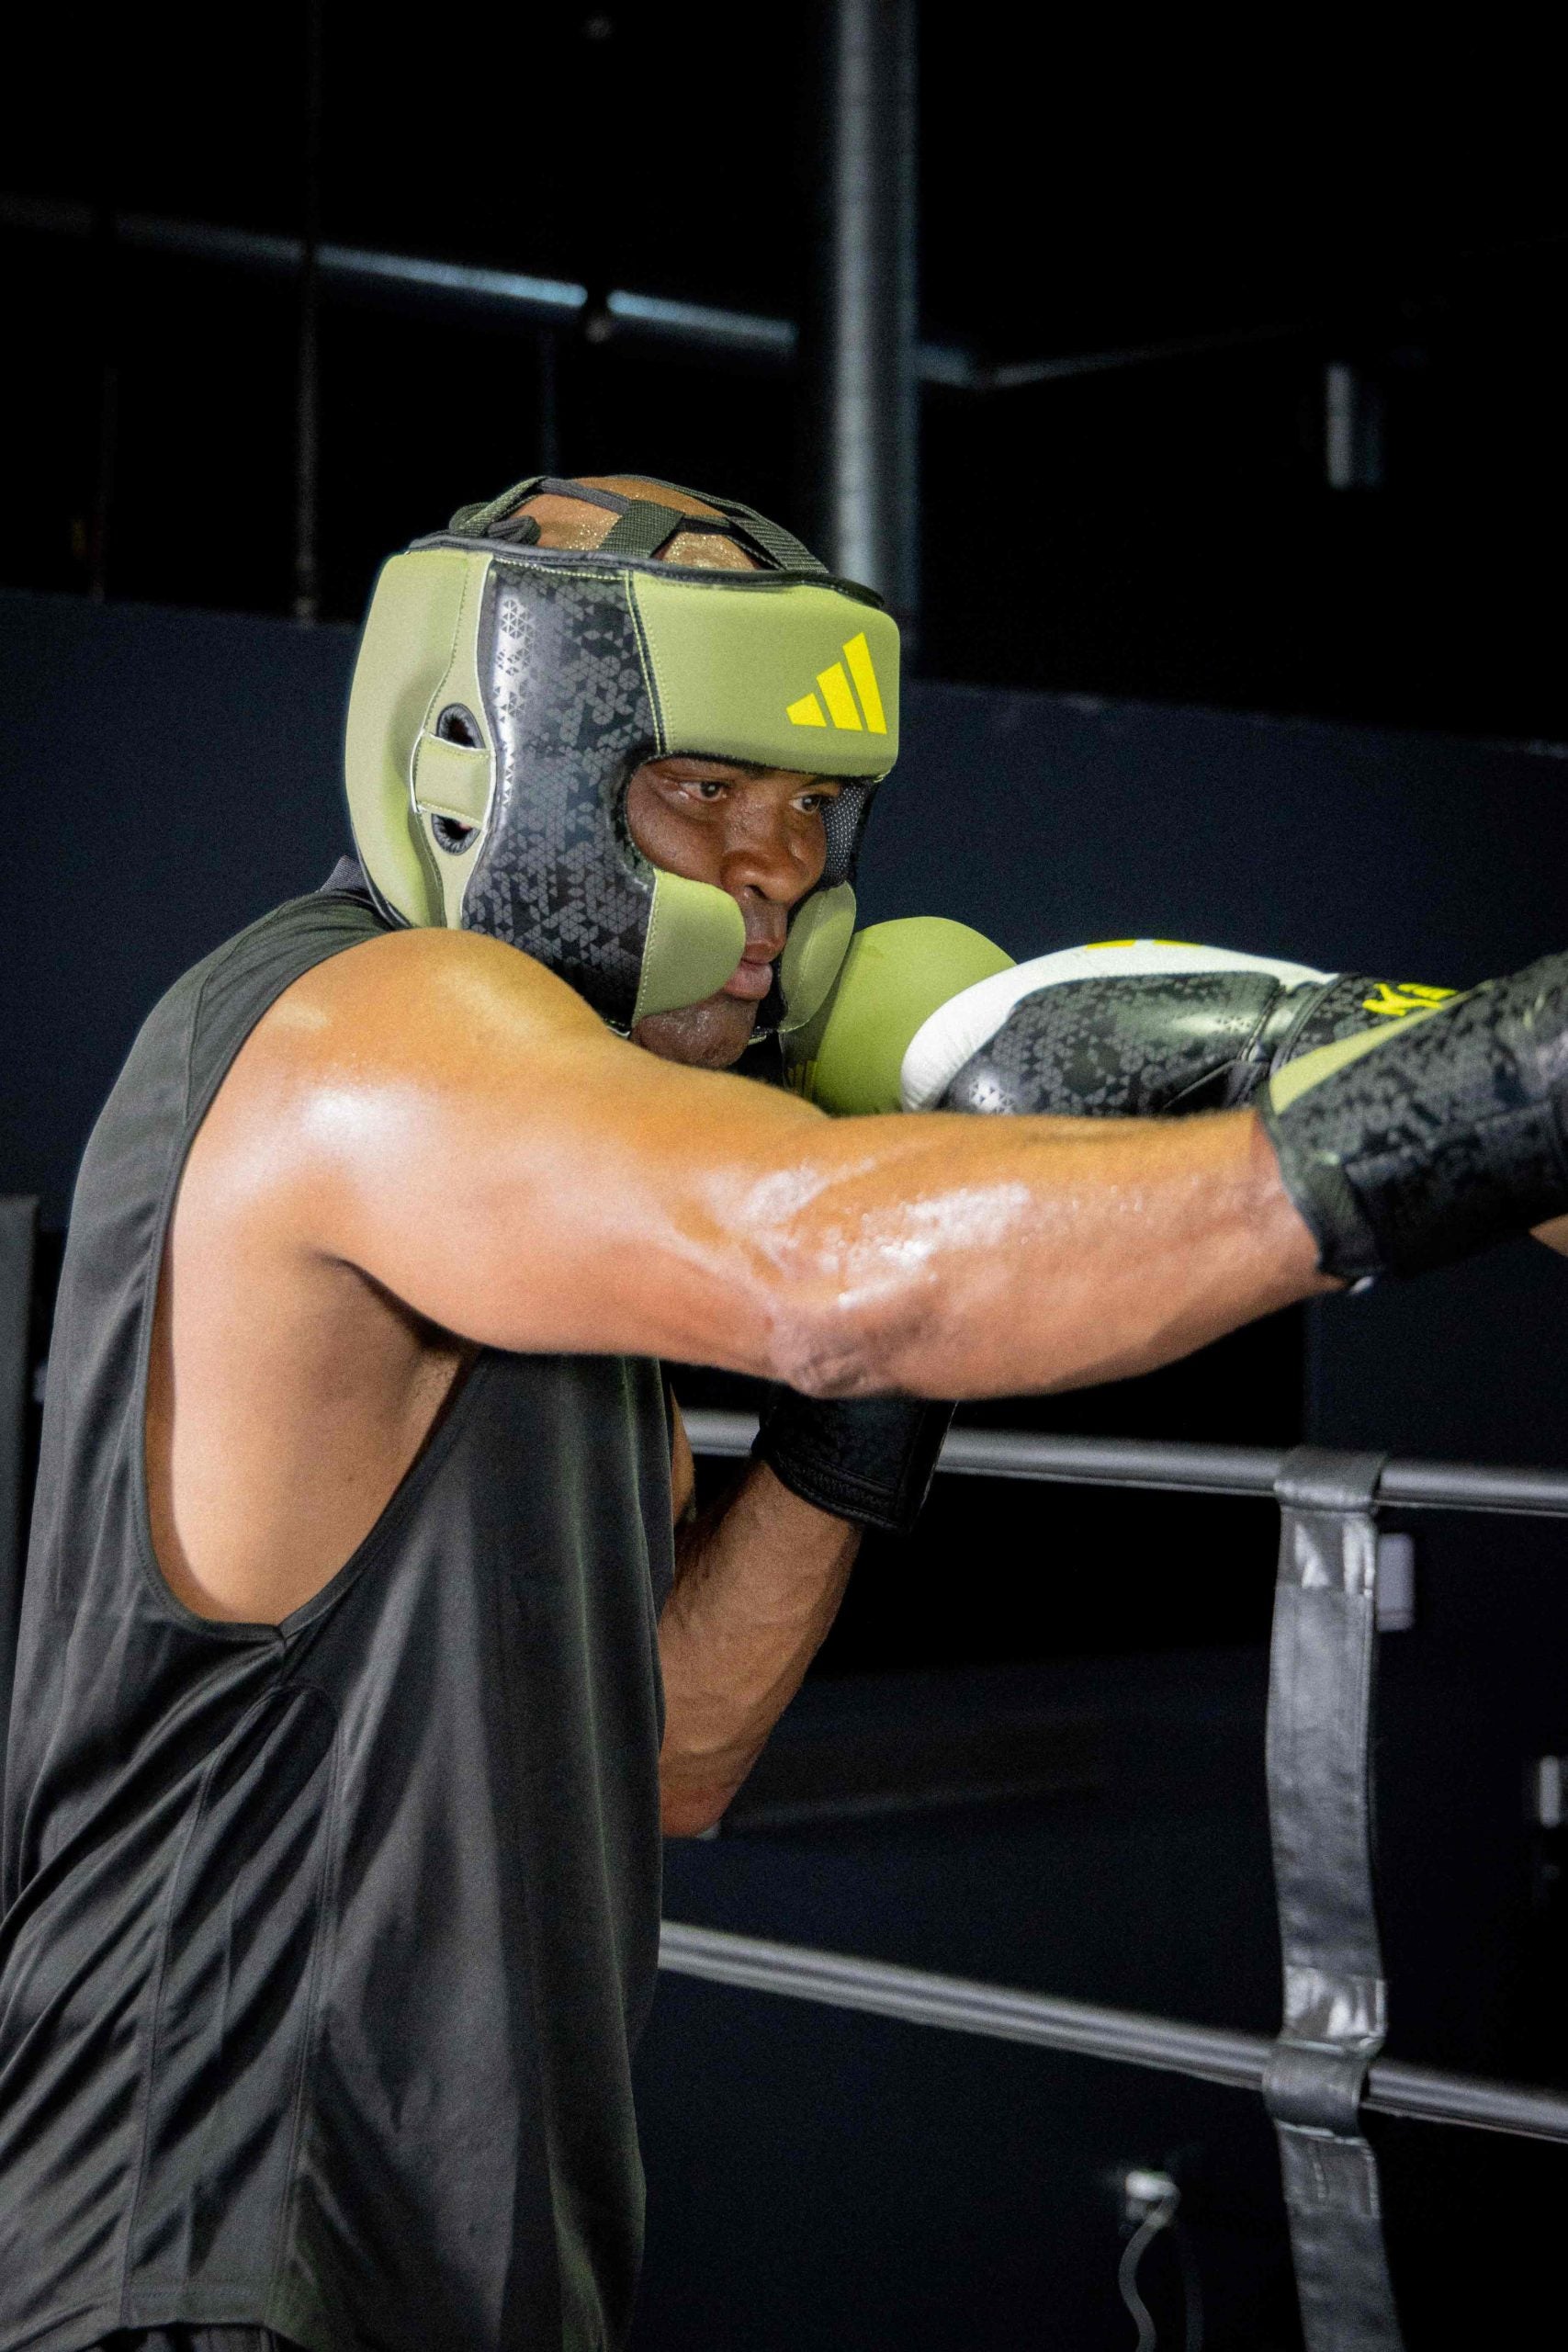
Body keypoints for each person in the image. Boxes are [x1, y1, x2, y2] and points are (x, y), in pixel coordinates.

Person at [5, 472, 1568, 2352]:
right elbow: (824, 1264)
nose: (773, 868)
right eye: (699, 787)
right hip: (199, 2248)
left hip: (449, 2268)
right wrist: (1466, 1107)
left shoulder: (560, 1185)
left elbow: (668, 1750)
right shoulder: (368, 1035)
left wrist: (879, 1392)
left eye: (812, 808)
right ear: (478, 755)